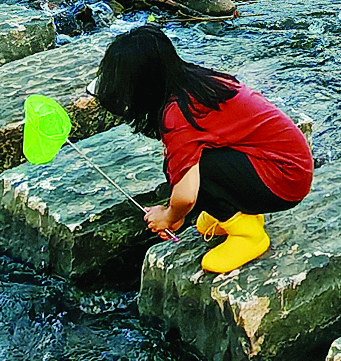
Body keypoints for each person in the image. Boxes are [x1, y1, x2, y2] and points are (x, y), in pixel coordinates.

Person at [94, 25, 312, 274]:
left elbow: (186, 195)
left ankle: (248, 234)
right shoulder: (195, 82)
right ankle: (239, 214)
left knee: (187, 170)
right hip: (289, 164)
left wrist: (169, 215)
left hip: (285, 179)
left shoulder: (177, 114)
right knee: (186, 163)